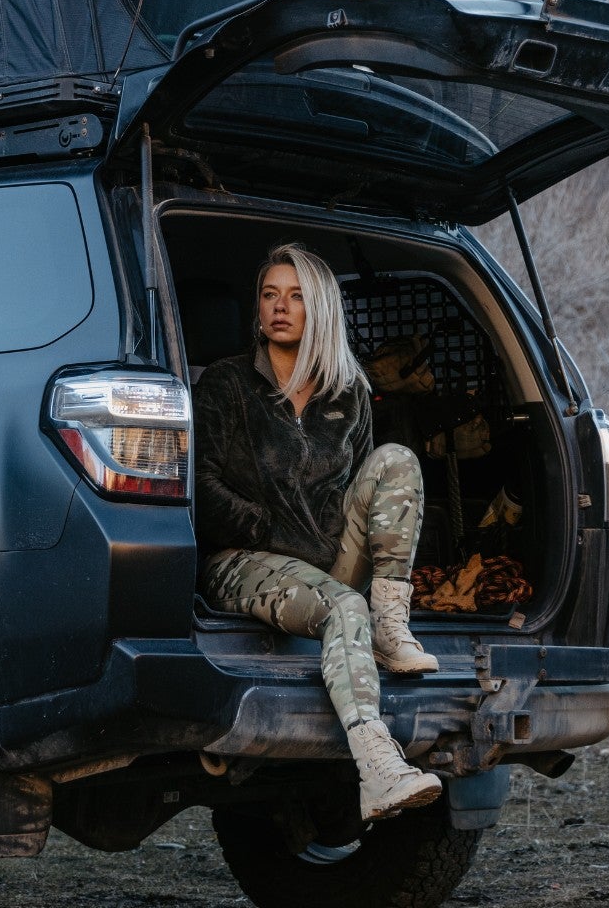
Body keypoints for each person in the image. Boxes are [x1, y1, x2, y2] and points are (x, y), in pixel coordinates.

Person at [193, 243, 443, 821]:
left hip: (324, 557)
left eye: (297, 296)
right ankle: (378, 768)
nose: (280, 308)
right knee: (341, 608)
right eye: (270, 295)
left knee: (397, 460)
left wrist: (337, 549)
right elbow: (200, 487)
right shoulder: (226, 385)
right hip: (244, 559)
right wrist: (262, 524)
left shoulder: (348, 391)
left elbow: (359, 485)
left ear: (321, 309)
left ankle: (389, 620)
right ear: (257, 308)